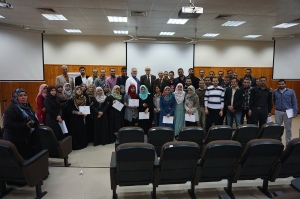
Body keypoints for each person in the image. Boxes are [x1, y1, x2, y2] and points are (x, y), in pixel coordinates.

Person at [3, 88, 40, 159]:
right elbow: (7, 125)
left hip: (27, 138)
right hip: (15, 140)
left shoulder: (27, 107)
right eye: (20, 95)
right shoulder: (11, 109)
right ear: (15, 97)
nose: (23, 97)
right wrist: (24, 125)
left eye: (25, 95)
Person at [273, 79, 298, 145]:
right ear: (277, 85)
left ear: (285, 84)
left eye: (282, 84)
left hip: (288, 112)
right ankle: (278, 141)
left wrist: (295, 112)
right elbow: (274, 100)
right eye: (279, 84)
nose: (281, 85)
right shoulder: (275, 91)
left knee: (288, 128)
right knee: (278, 128)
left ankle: (288, 142)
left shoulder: (291, 91)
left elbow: (294, 102)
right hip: (278, 111)